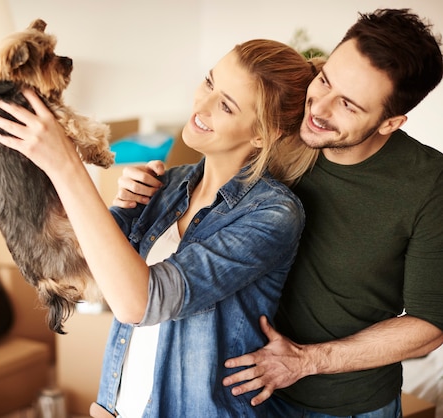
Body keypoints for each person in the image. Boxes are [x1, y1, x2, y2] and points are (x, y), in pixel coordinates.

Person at [114, 8, 443, 417]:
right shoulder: (283, 129)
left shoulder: (429, 185)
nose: (318, 108)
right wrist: (142, 187)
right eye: (324, 80)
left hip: (346, 406)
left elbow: (430, 326)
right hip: (243, 393)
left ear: (390, 122)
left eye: (348, 105)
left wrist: (307, 360)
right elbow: (204, 187)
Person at [0, 39, 320, 417]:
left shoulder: (272, 215)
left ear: (262, 133)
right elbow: (88, 274)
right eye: (209, 82)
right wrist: (14, 157)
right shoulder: (165, 185)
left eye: (226, 105)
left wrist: (67, 166)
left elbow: (140, 302)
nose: (201, 107)